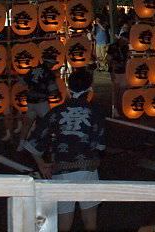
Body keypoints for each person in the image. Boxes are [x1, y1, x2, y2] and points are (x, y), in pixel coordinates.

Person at [24, 69, 106, 232]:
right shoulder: (95, 112)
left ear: (68, 89)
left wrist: (41, 164)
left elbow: (33, 143)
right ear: (90, 90)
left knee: (63, 225)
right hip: (87, 169)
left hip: (61, 171)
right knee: (90, 222)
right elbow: (101, 146)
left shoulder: (55, 112)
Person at [18, 54, 59, 148]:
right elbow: (53, 91)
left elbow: (23, 82)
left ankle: (20, 145)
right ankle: (52, 144)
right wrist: (54, 93)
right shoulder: (48, 73)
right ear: (49, 63)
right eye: (52, 64)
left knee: (27, 123)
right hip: (41, 102)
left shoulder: (33, 69)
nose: (53, 66)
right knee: (50, 122)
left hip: (30, 101)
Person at [107, 28, 129, 118]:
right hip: (116, 71)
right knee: (115, 91)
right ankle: (115, 109)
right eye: (125, 40)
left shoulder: (126, 47)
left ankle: (120, 108)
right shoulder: (112, 47)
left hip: (124, 71)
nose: (126, 42)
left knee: (123, 91)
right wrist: (111, 72)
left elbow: (127, 58)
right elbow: (109, 60)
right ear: (121, 38)